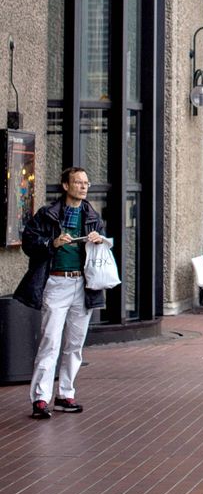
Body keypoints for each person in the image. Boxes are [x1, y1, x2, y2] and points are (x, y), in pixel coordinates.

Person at [14, 166, 110, 417]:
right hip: (56, 283)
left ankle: (66, 394)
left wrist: (99, 240)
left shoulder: (92, 216)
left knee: (75, 344)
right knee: (50, 341)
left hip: (83, 285)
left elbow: (104, 248)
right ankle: (40, 399)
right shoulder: (48, 215)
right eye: (78, 182)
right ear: (65, 186)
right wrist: (52, 243)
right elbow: (29, 243)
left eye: (86, 183)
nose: (84, 187)